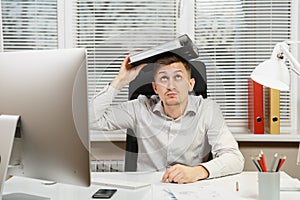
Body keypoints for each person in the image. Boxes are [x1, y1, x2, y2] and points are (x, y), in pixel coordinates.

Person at [91, 53, 244, 184]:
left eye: (178, 77)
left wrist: (197, 172)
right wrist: (120, 80)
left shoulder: (207, 109)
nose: (171, 86)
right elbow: (90, 120)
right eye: (164, 78)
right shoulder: (140, 107)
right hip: (146, 188)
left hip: (190, 188)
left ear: (190, 84)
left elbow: (234, 158)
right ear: (155, 88)